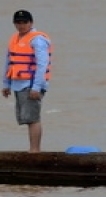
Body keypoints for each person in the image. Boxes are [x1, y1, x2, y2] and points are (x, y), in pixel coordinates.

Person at [2, 10, 52, 153]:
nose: (21, 25)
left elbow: (42, 64)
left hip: (31, 84)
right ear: (14, 23)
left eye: (25, 22)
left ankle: (35, 151)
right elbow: (9, 61)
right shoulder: (15, 38)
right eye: (18, 22)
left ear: (31, 23)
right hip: (18, 84)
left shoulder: (37, 39)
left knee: (32, 118)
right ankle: (32, 150)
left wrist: (36, 87)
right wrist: (6, 83)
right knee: (25, 118)